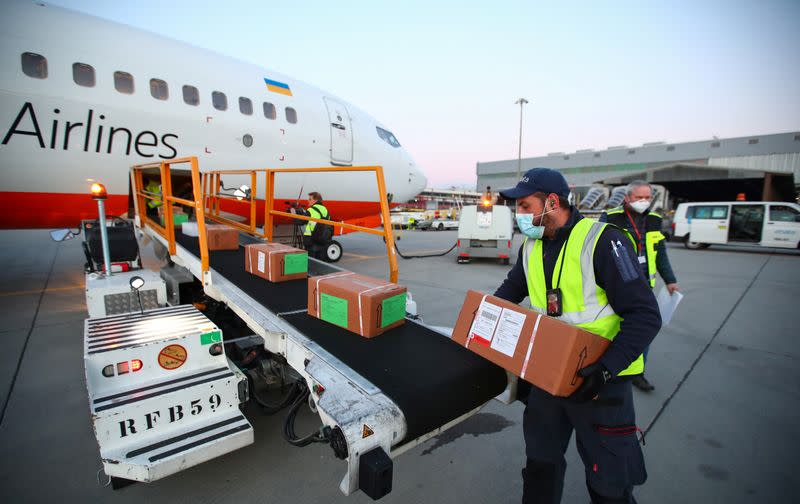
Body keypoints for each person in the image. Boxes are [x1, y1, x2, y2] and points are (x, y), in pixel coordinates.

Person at [493, 168, 661, 504]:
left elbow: (645, 315)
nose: (519, 215)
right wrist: (479, 323)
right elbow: (509, 291)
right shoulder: (531, 245)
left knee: (609, 481)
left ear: (552, 202)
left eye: (525, 206)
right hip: (549, 377)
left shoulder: (602, 241)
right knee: (540, 466)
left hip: (600, 384)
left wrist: (605, 368)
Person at [600, 180, 678, 392]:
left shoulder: (654, 220)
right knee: (612, 328)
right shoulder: (611, 217)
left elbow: (660, 252)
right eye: (639, 197)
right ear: (627, 198)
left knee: (643, 329)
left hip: (644, 285)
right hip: (617, 284)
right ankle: (607, 367)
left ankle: (637, 372)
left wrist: (670, 280)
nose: (644, 201)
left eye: (647, 197)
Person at [289, 192, 329, 259]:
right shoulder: (325, 210)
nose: (308, 200)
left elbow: (299, 222)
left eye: (310, 199)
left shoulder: (311, 210)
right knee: (319, 261)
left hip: (311, 240)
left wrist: (293, 215)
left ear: (315, 200)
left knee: (311, 261)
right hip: (322, 239)